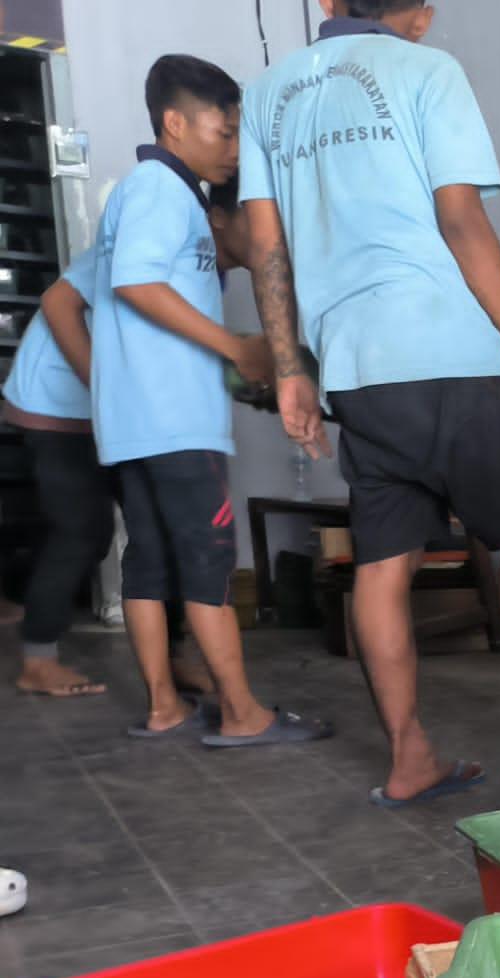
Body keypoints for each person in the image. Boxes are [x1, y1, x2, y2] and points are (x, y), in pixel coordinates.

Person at [237, 0, 500, 806]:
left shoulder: (267, 92)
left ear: (331, 4)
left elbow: (266, 244)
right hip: (447, 350)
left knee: (383, 560)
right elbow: (460, 218)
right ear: (416, 11)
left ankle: (410, 758)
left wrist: (290, 368)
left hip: (354, 368)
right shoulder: (428, 71)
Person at [92, 55, 329, 747]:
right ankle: (240, 712)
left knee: (151, 563)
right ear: (175, 123)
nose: (234, 148)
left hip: (137, 420)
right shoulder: (158, 189)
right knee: (206, 561)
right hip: (170, 420)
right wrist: (233, 347)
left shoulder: (165, 194)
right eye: (223, 133)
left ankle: (166, 706)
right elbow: (136, 285)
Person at [4, 231, 218, 703]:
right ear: (223, 221)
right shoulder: (153, 236)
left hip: (119, 410)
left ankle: (173, 654)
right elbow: (58, 302)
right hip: (58, 402)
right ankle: (38, 660)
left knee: (160, 527)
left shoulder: (206, 269)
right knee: (82, 530)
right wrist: (104, 392)